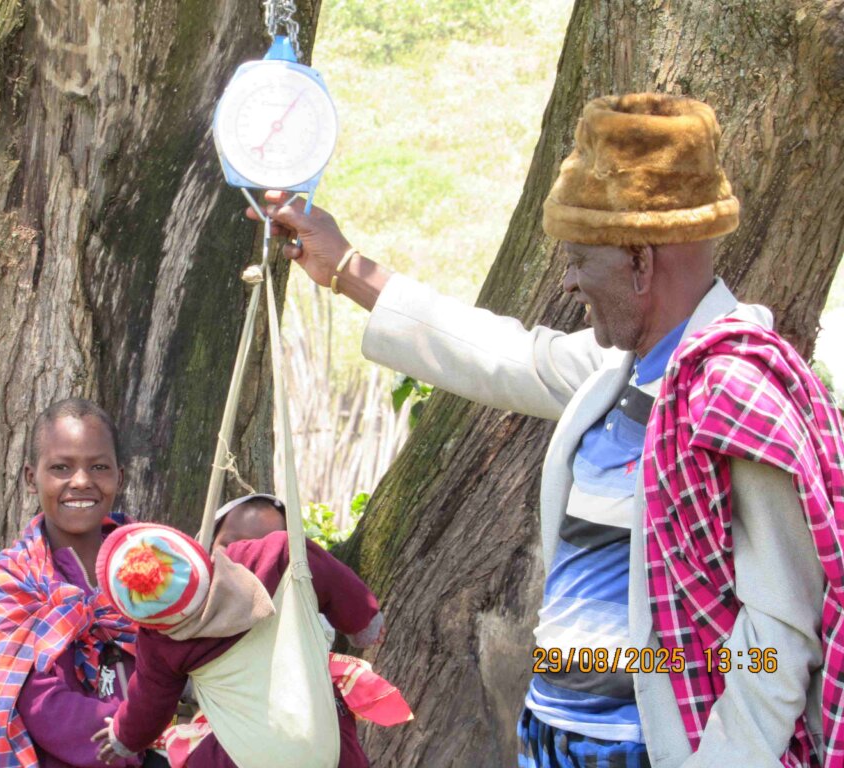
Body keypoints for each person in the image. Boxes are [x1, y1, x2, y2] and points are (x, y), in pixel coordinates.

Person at [250, 93, 844, 766]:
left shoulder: (735, 394)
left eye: (580, 259)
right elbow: (506, 355)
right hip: (555, 743)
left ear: (640, 263)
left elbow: (782, 628)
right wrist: (344, 268)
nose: (566, 281)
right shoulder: (622, 372)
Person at [91, 496, 400, 768]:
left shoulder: (159, 640)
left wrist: (124, 737)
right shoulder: (276, 554)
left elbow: (149, 706)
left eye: (259, 540)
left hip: (242, 754)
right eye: (234, 541)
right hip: (322, 742)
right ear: (202, 546)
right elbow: (335, 580)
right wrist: (362, 622)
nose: (247, 546)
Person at [0, 398, 165, 768]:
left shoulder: (160, 567)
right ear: (31, 478)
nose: (81, 481)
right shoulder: (4, 586)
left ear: (119, 476)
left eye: (99, 467)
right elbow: (44, 708)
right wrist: (144, 741)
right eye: (60, 467)